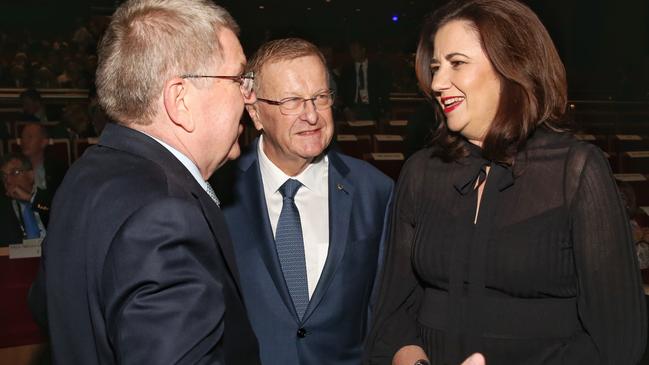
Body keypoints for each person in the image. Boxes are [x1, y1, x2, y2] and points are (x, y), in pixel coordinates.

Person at [364, 1, 647, 364]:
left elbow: (617, 337)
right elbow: (392, 311)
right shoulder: (420, 171)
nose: (436, 83)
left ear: (511, 67)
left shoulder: (574, 171)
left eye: (457, 63)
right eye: (435, 67)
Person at [27, 0, 261, 364]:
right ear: (180, 100)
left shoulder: (85, 174)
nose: (250, 97)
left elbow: (49, 307)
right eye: (238, 79)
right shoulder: (166, 214)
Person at [213, 38, 394, 365]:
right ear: (255, 112)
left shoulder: (376, 192)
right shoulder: (217, 195)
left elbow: (385, 314)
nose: (311, 115)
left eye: (320, 98)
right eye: (292, 101)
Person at [0, 153, 51, 244]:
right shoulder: (3, 209)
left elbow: (54, 212)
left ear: (31, 175)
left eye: (14, 172)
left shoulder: (48, 197)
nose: (8, 180)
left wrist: (30, 198)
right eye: (4, 176)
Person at [340, 40, 391, 122]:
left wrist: (387, 111)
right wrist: (346, 109)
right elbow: (342, 92)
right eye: (351, 50)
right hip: (353, 108)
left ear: (363, 50)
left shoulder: (376, 68)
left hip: (371, 108)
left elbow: (384, 91)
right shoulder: (347, 70)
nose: (352, 53)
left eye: (355, 50)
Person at [19, 123, 67, 194]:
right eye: (23, 137)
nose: (24, 141)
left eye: (30, 137)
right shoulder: (14, 168)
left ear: (43, 142)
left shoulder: (57, 170)